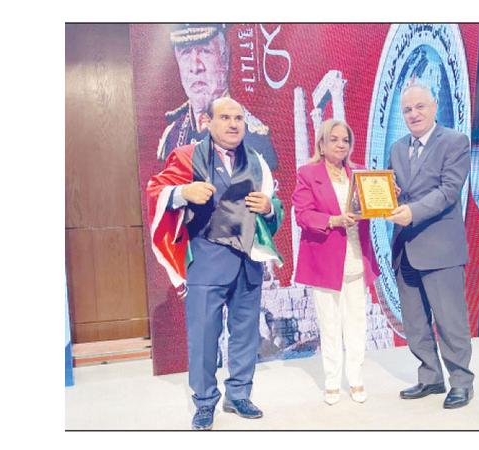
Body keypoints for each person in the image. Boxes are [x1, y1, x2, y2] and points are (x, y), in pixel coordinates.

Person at [146, 97, 284, 430]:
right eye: (225, 117)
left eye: (238, 118)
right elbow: (155, 190)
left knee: (245, 335)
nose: (233, 124)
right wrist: (184, 193)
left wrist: (269, 207)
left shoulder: (257, 162)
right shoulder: (187, 155)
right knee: (204, 339)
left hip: (248, 262)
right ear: (208, 122)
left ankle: (239, 395)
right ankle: (205, 402)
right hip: (206, 262)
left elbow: (274, 206)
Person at [386, 81, 475, 409]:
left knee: (450, 321)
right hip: (405, 248)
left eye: (420, 107)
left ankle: (461, 382)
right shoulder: (397, 148)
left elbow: (449, 190)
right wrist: (389, 194)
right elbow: (397, 191)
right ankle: (431, 377)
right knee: (415, 322)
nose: (414, 114)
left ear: (434, 106)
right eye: (407, 109)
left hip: (441, 249)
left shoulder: (455, 141)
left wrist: (412, 211)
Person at [292, 119, 380, 405]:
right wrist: (333, 220)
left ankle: (356, 378)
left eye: (346, 140)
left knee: (357, 324)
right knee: (329, 325)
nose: (341, 145)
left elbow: (374, 206)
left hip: (357, 260)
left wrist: (388, 197)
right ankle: (332, 380)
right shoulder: (308, 174)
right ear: (321, 144)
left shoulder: (360, 173)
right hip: (325, 262)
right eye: (334, 139)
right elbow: (303, 215)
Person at [158, 24, 278, 172]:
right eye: (186, 52)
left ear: (225, 56)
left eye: (205, 51)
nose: (195, 67)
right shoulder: (173, 136)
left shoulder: (253, 138)